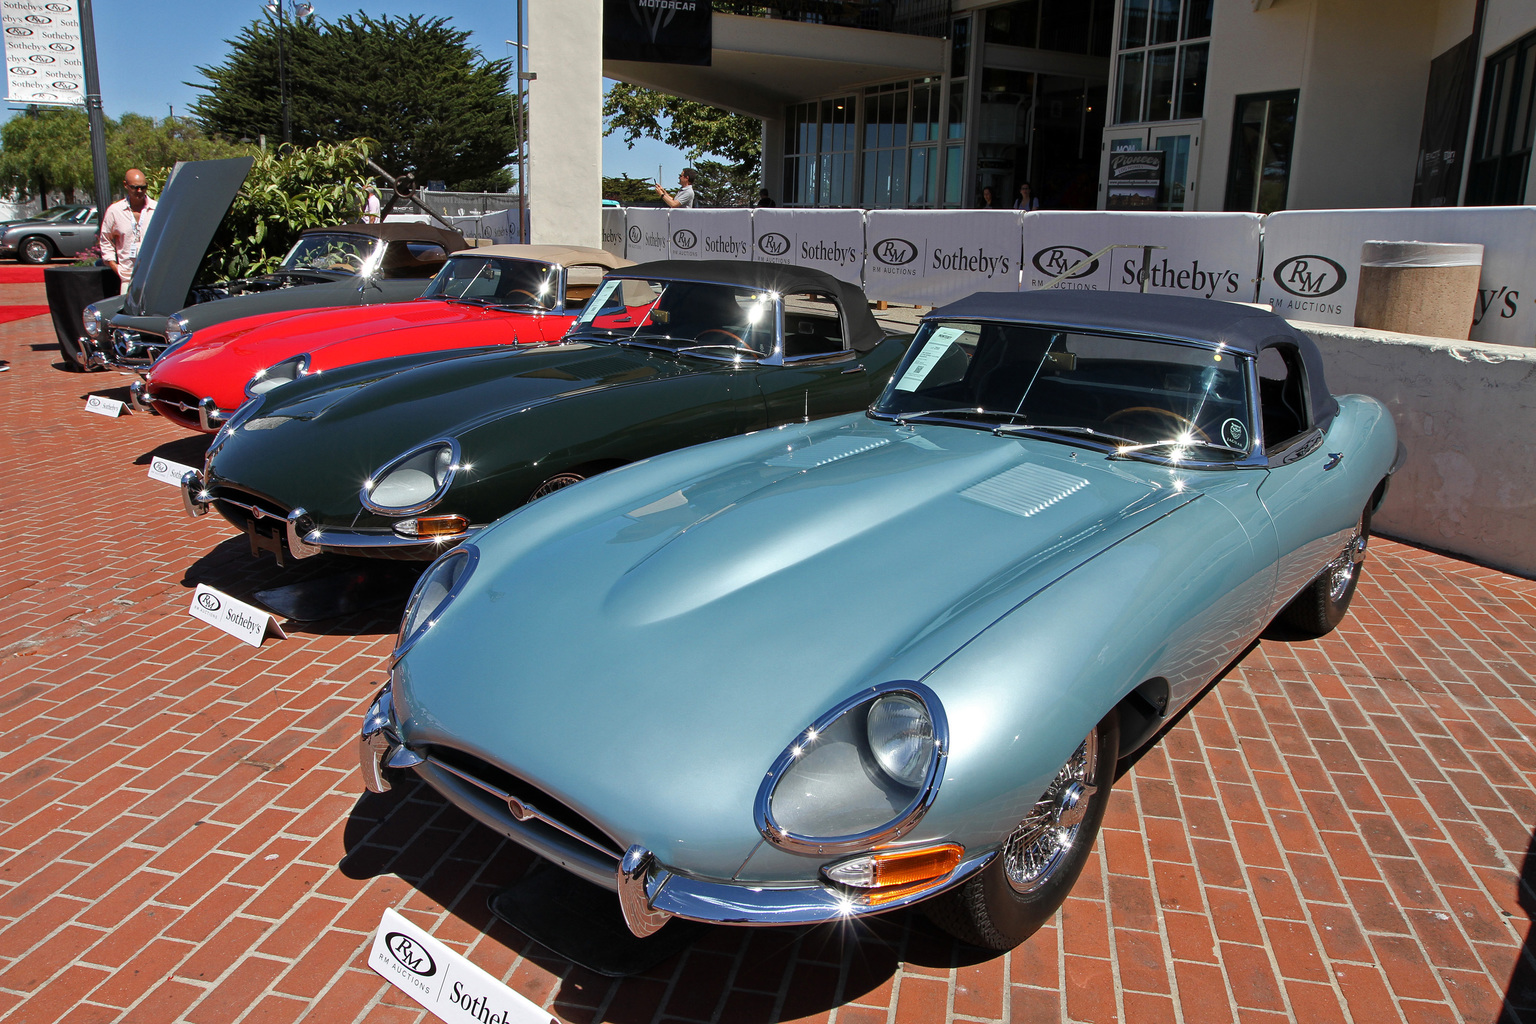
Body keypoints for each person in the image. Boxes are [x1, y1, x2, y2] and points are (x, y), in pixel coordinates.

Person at [100, 168, 156, 286]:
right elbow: (106, 240)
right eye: (135, 187)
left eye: (143, 187)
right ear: (126, 185)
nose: (139, 191)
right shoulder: (115, 211)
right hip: (127, 277)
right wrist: (114, 265)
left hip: (152, 275)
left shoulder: (157, 209)